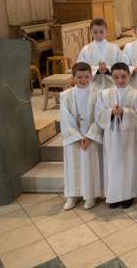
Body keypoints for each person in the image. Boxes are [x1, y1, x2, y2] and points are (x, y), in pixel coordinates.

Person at [94, 63, 137, 209]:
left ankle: (128, 195)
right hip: (112, 136)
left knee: (129, 163)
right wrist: (111, 113)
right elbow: (98, 114)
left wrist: (124, 113)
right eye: (116, 77)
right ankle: (113, 196)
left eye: (123, 77)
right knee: (113, 164)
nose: (120, 80)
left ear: (129, 75)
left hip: (130, 137)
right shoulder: (104, 93)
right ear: (111, 77)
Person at [61, 62, 102, 210]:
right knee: (73, 165)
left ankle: (90, 195)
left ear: (91, 75)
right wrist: (78, 137)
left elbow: (100, 115)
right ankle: (72, 195)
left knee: (89, 165)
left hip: (91, 135)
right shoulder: (65, 95)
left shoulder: (98, 93)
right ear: (73, 77)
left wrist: (90, 136)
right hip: (74, 136)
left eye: (86, 76)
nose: (83, 79)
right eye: (79, 77)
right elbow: (65, 117)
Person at [77, 18, 122, 89]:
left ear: (106, 31)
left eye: (101, 32)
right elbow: (80, 68)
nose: (98, 35)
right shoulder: (86, 50)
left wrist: (108, 70)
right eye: (95, 32)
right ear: (91, 32)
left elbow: (121, 66)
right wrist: (96, 71)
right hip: (93, 85)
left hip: (112, 85)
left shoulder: (114, 48)